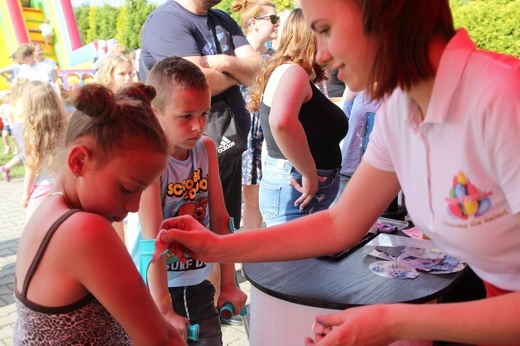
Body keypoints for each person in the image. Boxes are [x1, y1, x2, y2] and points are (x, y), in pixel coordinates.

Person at [153, 1, 520, 345]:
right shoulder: (399, 110)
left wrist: (395, 322)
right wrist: (218, 246)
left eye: (325, 30)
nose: (321, 53)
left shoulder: (504, 99)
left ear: (381, 12)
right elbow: (340, 224)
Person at [14, 82, 185, 345]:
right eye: (128, 188)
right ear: (79, 162)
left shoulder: (48, 210)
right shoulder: (84, 230)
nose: (134, 207)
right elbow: (160, 339)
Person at [132, 56, 247, 344]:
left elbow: (221, 220)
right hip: (161, 288)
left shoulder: (206, 148)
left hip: (198, 280)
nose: (198, 126)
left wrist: (229, 285)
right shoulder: (151, 160)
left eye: (205, 114)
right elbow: (152, 240)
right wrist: (163, 309)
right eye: (186, 116)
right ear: (155, 112)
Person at [139, 0, 263, 230]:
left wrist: (225, 63)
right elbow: (194, 83)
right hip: (187, 161)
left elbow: (260, 70)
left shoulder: (222, 19)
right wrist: (239, 73)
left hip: (229, 149)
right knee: (190, 245)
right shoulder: (167, 21)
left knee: (225, 228)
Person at [247, 8, 348, 226]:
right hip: (296, 187)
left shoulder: (291, 72)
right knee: (294, 260)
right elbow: (281, 122)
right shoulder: (293, 72)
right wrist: (310, 174)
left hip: (297, 187)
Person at [231, 0, 279, 230]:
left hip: (267, 133)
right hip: (241, 131)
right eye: (273, 19)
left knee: (259, 199)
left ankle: (253, 258)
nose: (277, 24)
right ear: (254, 24)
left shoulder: (275, 56)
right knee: (248, 198)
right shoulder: (235, 56)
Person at [21, 81, 67, 218]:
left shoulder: (33, 134)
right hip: (66, 187)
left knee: (35, 228)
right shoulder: (65, 126)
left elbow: (32, 165)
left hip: (44, 190)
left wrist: (26, 192)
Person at [332, 88, 381, 204]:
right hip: (350, 165)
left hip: (380, 172)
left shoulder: (401, 91)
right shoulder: (356, 86)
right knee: (337, 213)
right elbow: (341, 123)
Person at [0, 78, 29, 182]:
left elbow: (11, 116)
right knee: (28, 153)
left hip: (20, 126)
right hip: (21, 127)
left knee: (28, 153)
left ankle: (6, 168)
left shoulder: (17, 100)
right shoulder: (20, 100)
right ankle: (6, 168)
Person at [0, 90, 20, 155]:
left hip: (14, 123)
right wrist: (4, 116)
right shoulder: (3, 106)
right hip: (7, 124)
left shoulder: (14, 104)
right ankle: (7, 147)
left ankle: (17, 148)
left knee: (14, 137)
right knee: (4, 135)